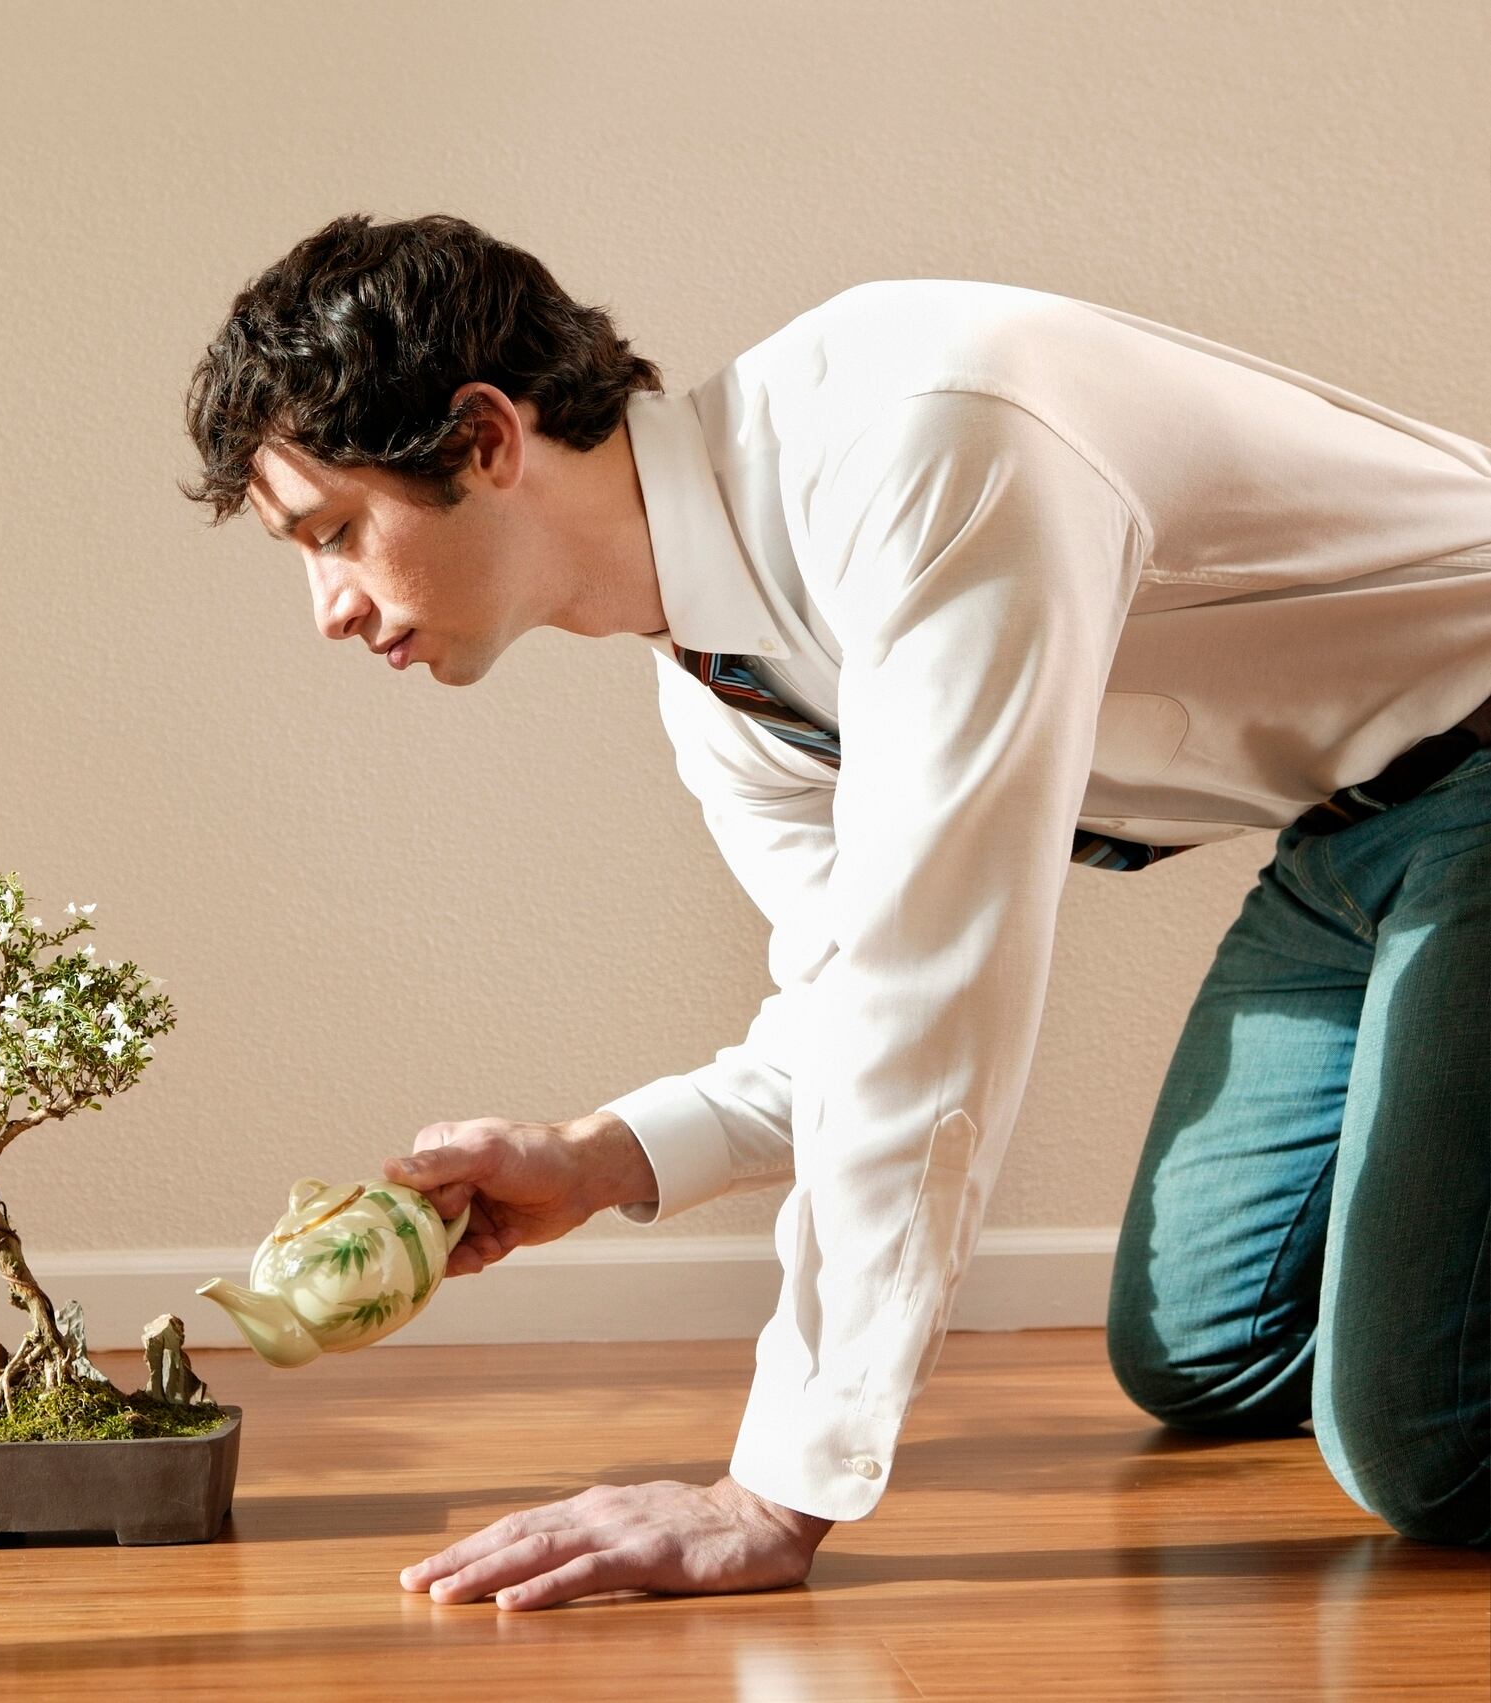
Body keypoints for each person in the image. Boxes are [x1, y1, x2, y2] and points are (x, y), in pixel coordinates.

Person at [182, 212, 1491, 1607]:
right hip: (1353, 831)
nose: (328, 607)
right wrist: (598, 1156)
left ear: (486, 439)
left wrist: (772, 1494)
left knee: (1423, 1448)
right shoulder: (727, 695)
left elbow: (932, 1010)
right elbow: (851, 1006)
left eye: (335, 531)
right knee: (1203, 1352)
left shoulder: (923, 448)